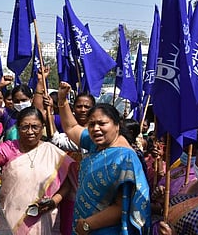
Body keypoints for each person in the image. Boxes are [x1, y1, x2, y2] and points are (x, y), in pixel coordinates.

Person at [57, 81, 150, 234]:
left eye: (102, 123)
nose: (95, 129)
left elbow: (123, 206)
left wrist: (88, 224)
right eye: (91, 124)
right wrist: (62, 100)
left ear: (117, 125)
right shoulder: (98, 144)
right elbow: (71, 127)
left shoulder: (125, 158)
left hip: (104, 230)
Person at [0, 106, 78, 234]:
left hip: (40, 219)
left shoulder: (53, 152)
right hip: (10, 218)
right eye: (25, 127)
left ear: (42, 127)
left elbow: (67, 184)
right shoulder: (8, 149)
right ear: (18, 129)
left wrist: (54, 202)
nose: (30, 131)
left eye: (35, 127)